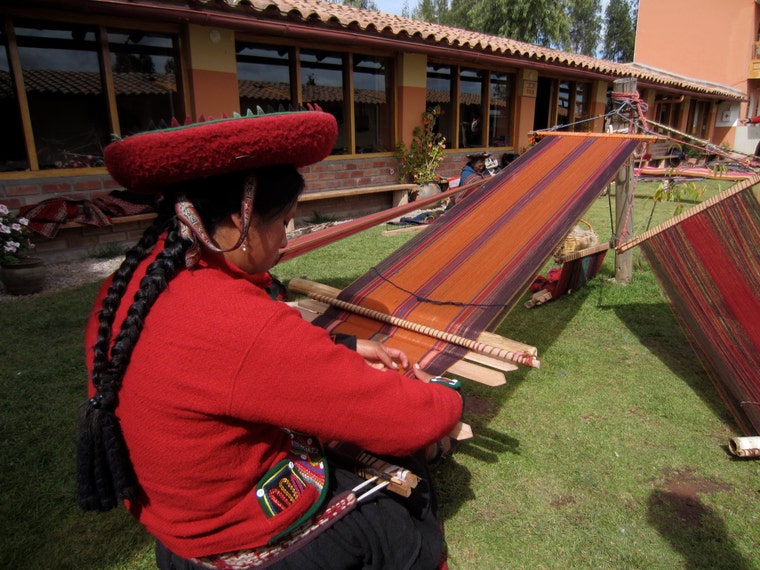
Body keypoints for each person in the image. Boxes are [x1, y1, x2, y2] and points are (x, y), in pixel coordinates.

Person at [76, 110, 463, 569]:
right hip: (240, 534)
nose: (284, 241)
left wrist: (345, 348)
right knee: (403, 527)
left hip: (177, 531)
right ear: (240, 220)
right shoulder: (232, 319)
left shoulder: (138, 282)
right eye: (284, 222)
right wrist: (445, 397)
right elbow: (401, 420)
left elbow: (228, 366)